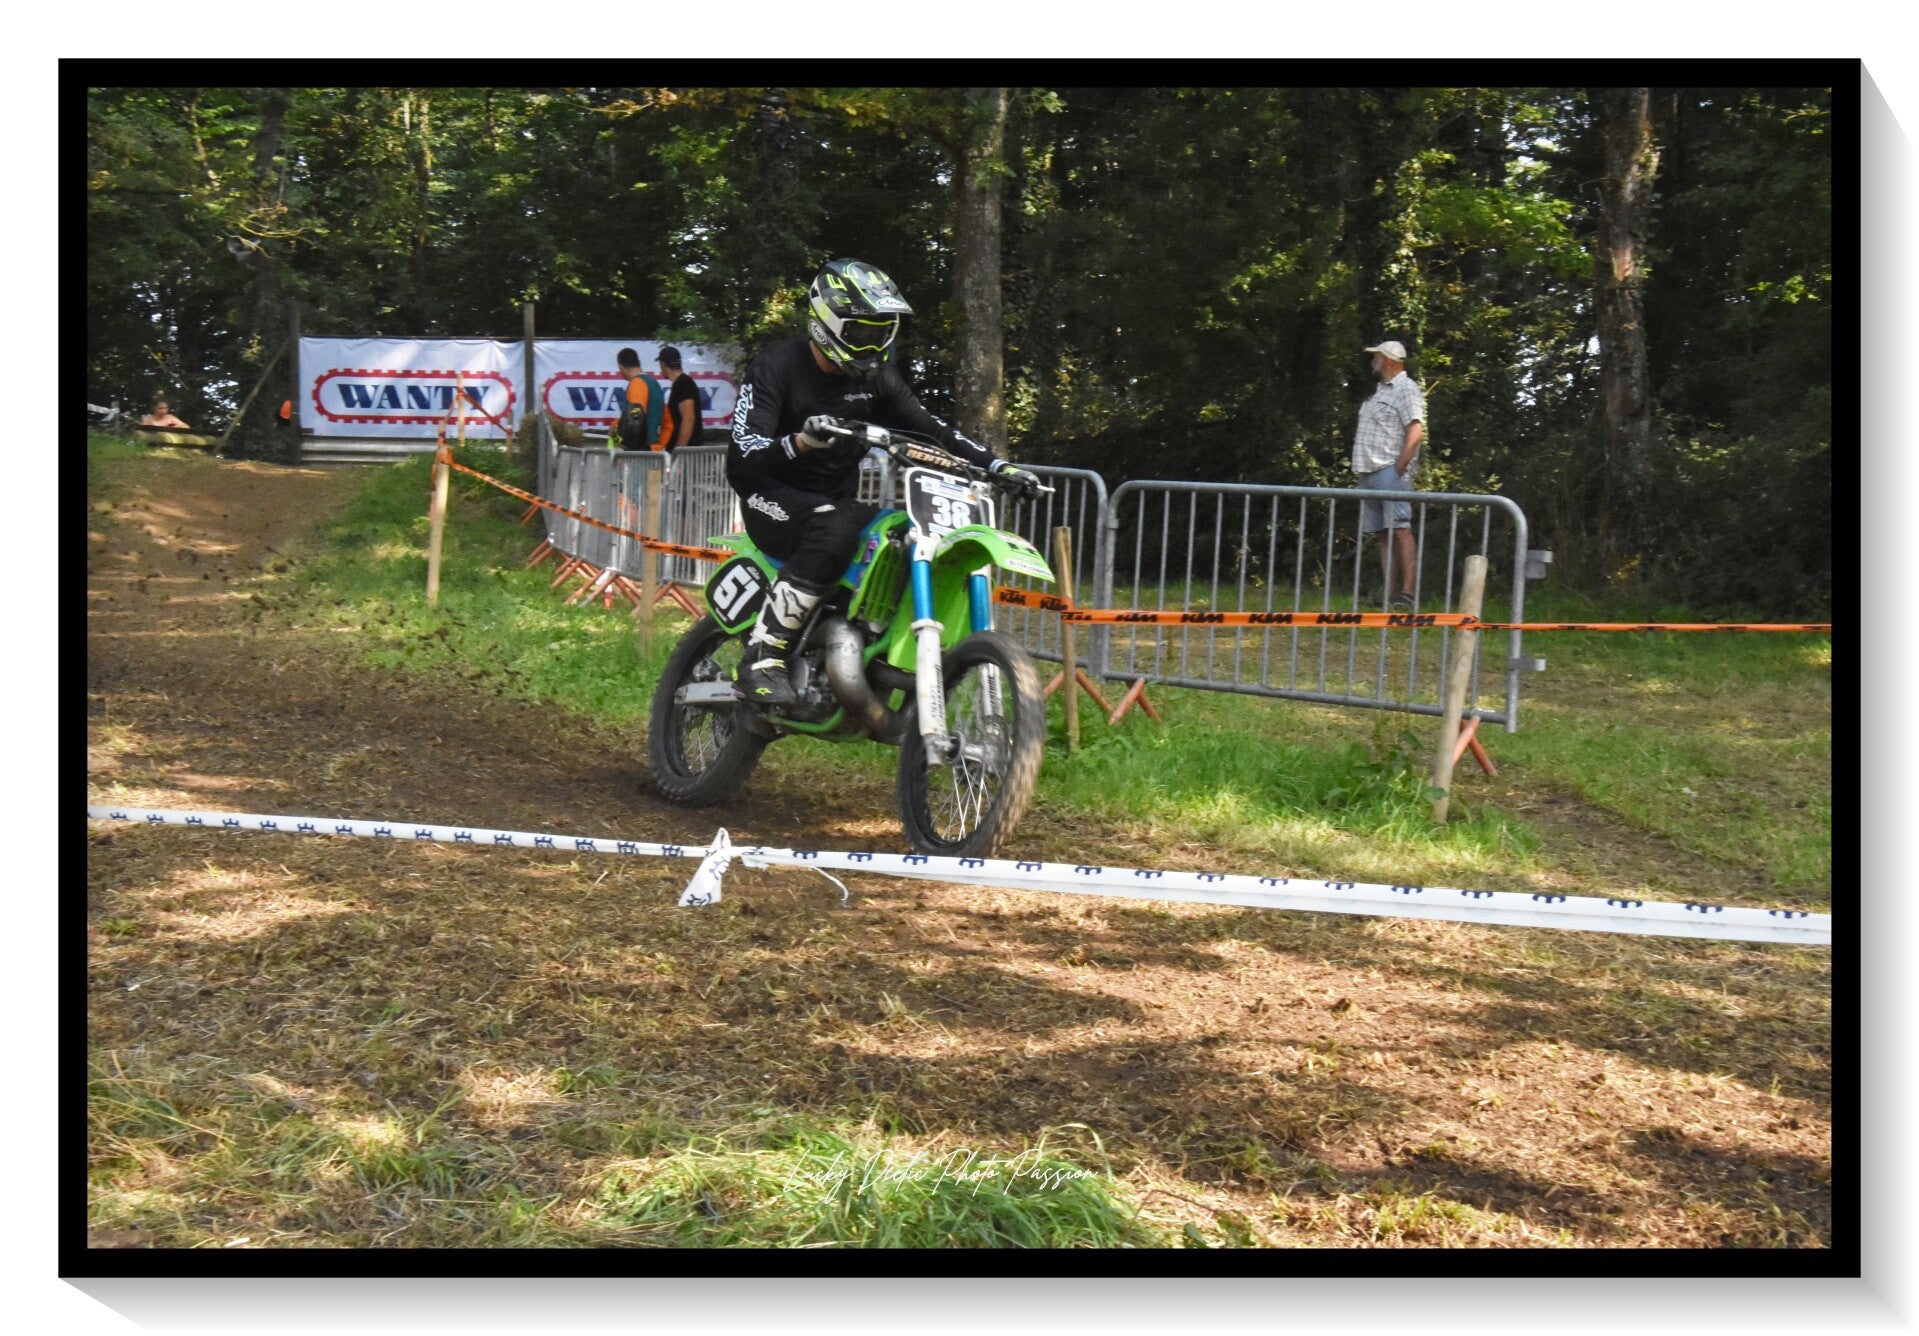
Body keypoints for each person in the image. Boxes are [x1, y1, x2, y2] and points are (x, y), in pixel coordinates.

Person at [726, 256, 1041, 707]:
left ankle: (870, 644)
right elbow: (744, 455)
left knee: (898, 534)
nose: (873, 344)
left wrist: (997, 467)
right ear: (827, 323)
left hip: (834, 501)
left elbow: (934, 429)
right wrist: (800, 442)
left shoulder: (878, 380)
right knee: (833, 527)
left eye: (882, 332)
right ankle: (763, 654)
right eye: (862, 332)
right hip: (769, 497)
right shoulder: (776, 366)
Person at [1350, 339, 1425, 611]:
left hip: (1388, 471)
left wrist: (1397, 470)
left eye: (1377, 356)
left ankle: (1407, 594)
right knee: (1383, 533)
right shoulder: (1381, 390)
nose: (1374, 360)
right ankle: (1389, 595)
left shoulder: (1407, 389)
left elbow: (1415, 432)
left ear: (1389, 360)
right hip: (1369, 471)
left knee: (1400, 529)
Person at [611, 348, 666, 452]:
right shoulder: (655, 384)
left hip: (640, 452)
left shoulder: (637, 384)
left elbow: (635, 419)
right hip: (655, 449)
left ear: (621, 367)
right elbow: (667, 422)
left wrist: (619, 440)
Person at [656, 345, 702, 452]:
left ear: (663, 365)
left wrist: (679, 451)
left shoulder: (683, 383)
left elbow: (688, 419)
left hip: (687, 454)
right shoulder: (681, 383)